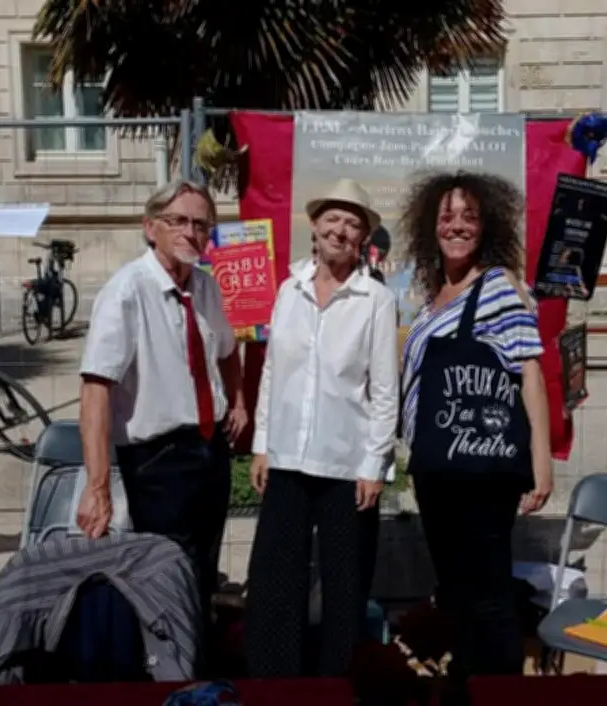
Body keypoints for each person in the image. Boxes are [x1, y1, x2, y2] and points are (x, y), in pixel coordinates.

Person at [76, 179, 248, 671]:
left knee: (200, 573)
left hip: (208, 449)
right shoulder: (126, 291)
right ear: (151, 227)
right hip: (157, 460)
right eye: (179, 221)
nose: (191, 232)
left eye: (201, 224)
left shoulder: (206, 285)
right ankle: (167, 673)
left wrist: (237, 401)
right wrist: (97, 485)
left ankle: (193, 668)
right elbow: (95, 389)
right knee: (163, 578)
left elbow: (227, 350)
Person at [398, 172, 553, 699]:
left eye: (468, 216)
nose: (457, 225)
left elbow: (528, 372)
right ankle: (467, 686)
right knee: (455, 591)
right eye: (447, 216)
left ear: (486, 226)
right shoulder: (432, 299)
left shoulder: (500, 287)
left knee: (488, 592)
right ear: (430, 226)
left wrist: (542, 460)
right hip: (436, 468)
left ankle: (503, 692)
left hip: (484, 470)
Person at [245, 178, 399, 678]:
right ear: (314, 227)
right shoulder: (288, 290)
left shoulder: (375, 300)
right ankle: (276, 682)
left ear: (363, 239)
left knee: (344, 586)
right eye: (333, 219)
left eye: (353, 224)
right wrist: (262, 445)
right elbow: (273, 372)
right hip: (287, 459)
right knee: (275, 583)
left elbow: (383, 391)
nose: (341, 230)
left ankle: (339, 684)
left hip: (346, 467)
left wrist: (374, 465)